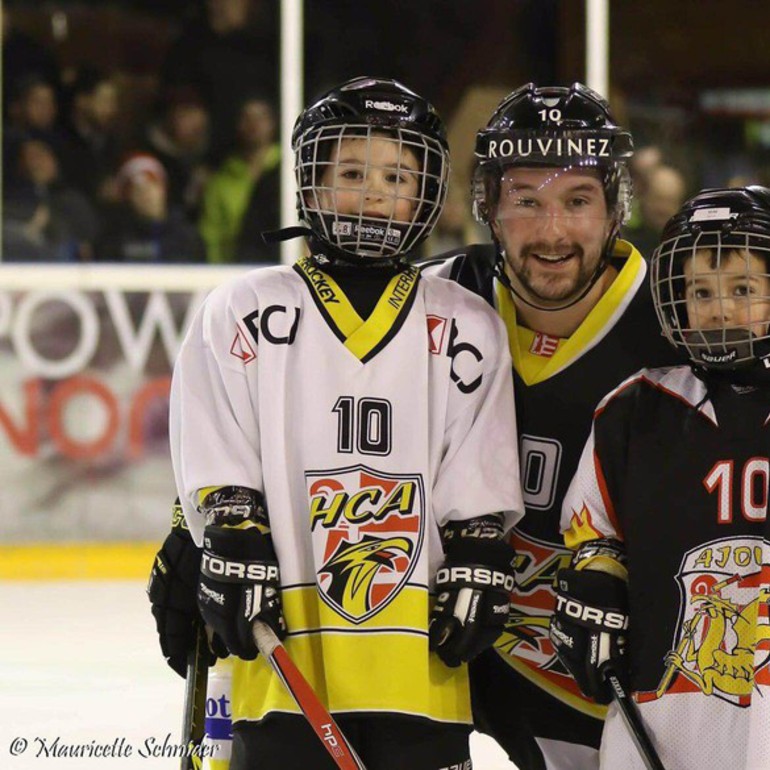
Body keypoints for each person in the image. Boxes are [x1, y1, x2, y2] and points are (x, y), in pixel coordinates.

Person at [154, 76, 524, 770]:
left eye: (396, 175)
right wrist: (230, 524)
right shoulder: (242, 311)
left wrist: (478, 549)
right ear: (313, 184)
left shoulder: (468, 324)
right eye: (351, 172)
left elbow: (477, 475)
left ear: (425, 192)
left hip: (420, 663)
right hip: (281, 650)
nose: (375, 191)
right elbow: (216, 456)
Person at [425, 82, 679, 769]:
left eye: (576, 201)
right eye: (525, 201)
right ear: (489, 207)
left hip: (591, 682)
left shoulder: (676, 330)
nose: (551, 233)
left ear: (614, 207)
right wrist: (197, 523)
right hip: (431, 662)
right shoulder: (430, 302)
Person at [551, 186, 770, 769]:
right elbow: (592, 533)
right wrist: (594, 586)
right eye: (699, 291)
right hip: (669, 699)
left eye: (743, 290)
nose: (718, 307)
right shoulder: (636, 407)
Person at [198, 95, 280, 263]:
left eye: (261, 117)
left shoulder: (290, 170)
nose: (254, 125)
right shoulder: (220, 181)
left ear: (273, 123)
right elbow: (211, 239)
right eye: (247, 117)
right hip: (237, 269)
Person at [96, 153, 205, 263]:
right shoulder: (116, 240)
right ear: (129, 199)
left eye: (151, 187)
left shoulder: (187, 237)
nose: (146, 195)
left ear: (163, 190)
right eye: (138, 191)